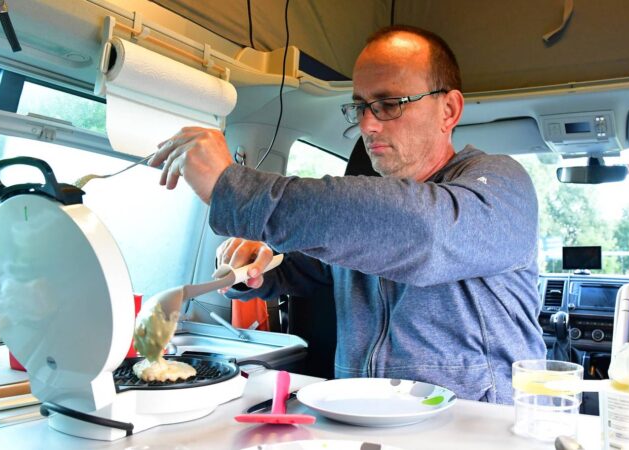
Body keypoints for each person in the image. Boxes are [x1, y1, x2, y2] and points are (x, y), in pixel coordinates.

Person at [150, 25, 544, 404]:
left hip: (473, 427)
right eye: (360, 106)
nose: (367, 125)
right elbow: (300, 265)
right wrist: (250, 267)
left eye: (389, 104)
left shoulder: (500, 186)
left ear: (449, 110)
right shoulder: (357, 222)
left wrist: (235, 189)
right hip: (358, 415)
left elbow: (426, 233)